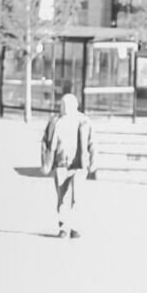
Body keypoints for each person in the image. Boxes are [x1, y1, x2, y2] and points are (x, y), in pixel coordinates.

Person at [40, 90, 97, 238]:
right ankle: (64, 227)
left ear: (74, 105)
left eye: (67, 104)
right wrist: (46, 164)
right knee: (62, 197)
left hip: (79, 165)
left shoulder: (84, 121)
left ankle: (75, 226)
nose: (64, 107)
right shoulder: (55, 122)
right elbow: (46, 143)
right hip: (61, 164)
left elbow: (93, 143)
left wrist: (93, 162)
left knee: (77, 196)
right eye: (62, 104)